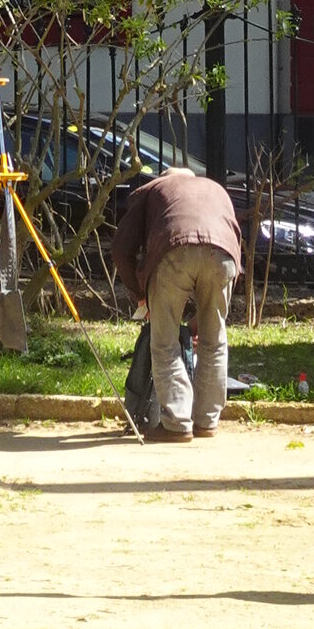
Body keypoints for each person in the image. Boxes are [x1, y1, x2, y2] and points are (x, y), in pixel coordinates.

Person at [112, 167, 243, 443]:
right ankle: (207, 422)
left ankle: (177, 423)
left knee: (165, 342)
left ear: (163, 178)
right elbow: (233, 241)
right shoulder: (215, 189)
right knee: (214, 340)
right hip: (223, 256)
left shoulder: (152, 190)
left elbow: (121, 250)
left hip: (173, 252)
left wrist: (140, 293)